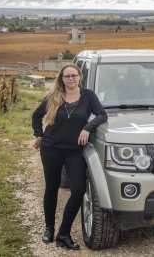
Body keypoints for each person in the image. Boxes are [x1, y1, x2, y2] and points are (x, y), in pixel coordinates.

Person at [32, 64, 108, 250]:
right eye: (67, 76)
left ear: (79, 77)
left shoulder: (88, 96)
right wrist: (39, 135)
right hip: (51, 149)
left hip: (74, 151)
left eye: (74, 75)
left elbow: (102, 115)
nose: (71, 79)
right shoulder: (53, 96)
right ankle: (49, 228)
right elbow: (36, 116)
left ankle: (63, 233)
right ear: (62, 78)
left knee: (79, 189)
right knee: (51, 188)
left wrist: (87, 128)